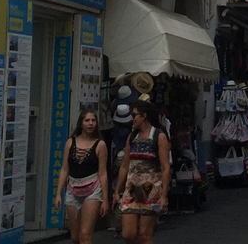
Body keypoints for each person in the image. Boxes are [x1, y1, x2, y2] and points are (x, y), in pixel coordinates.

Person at [113, 100, 171, 244]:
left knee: (145, 234)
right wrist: (117, 191)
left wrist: (163, 195)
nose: (132, 118)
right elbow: (125, 165)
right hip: (131, 190)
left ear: (144, 116)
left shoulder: (159, 136)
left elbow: (165, 167)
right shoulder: (132, 137)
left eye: (134, 115)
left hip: (151, 190)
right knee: (128, 234)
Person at [54, 109, 109, 244]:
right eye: (87, 120)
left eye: (93, 120)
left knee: (85, 235)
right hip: (73, 187)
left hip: (93, 188)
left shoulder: (100, 145)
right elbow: (64, 169)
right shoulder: (70, 142)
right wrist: (58, 193)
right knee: (75, 237)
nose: (91, 124)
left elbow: (103, 173)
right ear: (81, 123)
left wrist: (105, 200)